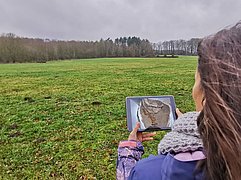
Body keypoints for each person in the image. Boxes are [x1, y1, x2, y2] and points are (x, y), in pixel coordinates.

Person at [116, 20, 241, 180]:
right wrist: (197, 129)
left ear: (205, 94)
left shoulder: (153, 172)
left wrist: (130, 151)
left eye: (196, 79)